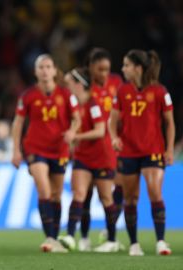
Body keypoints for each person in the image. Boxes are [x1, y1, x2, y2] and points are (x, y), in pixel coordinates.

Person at [11, 54, 81, 253]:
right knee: (44, 190)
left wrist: (73, 131)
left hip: (59, 149)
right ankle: (50, 237)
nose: (44, 70)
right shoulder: (28, 96)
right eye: (41, 67)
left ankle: (54, 236)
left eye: (48, 66)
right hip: (35, 149)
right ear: (35, 71)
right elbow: (17, 123)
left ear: (54, 70)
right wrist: (16, 150)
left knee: (57, 195)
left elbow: (76, 118)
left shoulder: (66, 95)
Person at [109, 49, 175, 256]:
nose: (123, 69)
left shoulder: (159, 91)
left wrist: (170, 149)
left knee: (155, 192)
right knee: (130, 199)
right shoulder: (122, 91)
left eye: (126, 65)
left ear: (137, 68)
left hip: (153, 150)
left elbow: (169, 123)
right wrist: (114, 137)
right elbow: (112, 121)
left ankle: (161, 241)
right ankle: (134, 244)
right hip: (128, 151)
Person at [57, 67, 119, 253]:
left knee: (106, 198)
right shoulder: (75, 106)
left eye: (69, 83)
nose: (67, 87)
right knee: (79, 195)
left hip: (102, 156)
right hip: (83, 157)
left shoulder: (93, 104)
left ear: (78, 85)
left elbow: (101, 131)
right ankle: (70, 235)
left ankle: (112, 240)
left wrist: (76, 137)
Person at [79, 48, 124, 251]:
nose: (104, 74)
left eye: (107, 69)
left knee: (119, 188)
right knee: (86, 194)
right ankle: (85, 237)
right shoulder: (86, 88)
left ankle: (110, 232)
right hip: (90, 146)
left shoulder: (117, 83)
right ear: (91, 68)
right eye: (100, 69)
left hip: (112, 145)